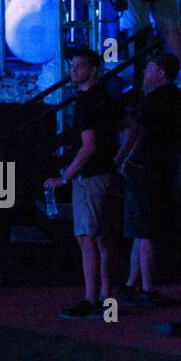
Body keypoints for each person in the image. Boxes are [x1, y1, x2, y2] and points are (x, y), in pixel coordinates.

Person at [44, 48, 127, 320]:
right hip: (105, 175)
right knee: (104, 239)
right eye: (72, 65)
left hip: (90, 179)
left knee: (87, 238)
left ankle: (92, 299)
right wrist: (117, 159)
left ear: (93, 70)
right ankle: (107, 296)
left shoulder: (87, 103)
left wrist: (65, 176)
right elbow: (134, 129)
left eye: (78, 66)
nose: (73, 70)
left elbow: (88, 146)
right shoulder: (107, 99)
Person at [115, 53, 181, 307]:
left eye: (149, 68)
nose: (145, 73)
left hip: (145, 172)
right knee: (144, 229)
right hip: (167, 171)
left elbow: (139, 133)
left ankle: (147, 288)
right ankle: (131, 283)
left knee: (144, 231)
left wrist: (125, 160)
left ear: (160, 72)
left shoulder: (149, 103)